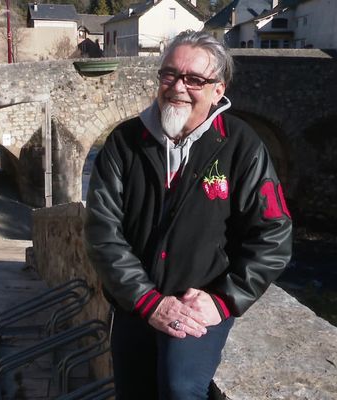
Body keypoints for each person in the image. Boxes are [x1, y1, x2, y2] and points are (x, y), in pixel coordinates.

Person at [84, 30, 292, 400]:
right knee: (133, 392)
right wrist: (147, 300)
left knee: (182, 390)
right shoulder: (124, 142)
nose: (178, 86)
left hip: (201, 304)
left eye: (195, 79)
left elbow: (273, 234)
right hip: (135, 302)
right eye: (169, 74)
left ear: (217, 90)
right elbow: (103, 232)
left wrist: (224, 300)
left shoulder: (241, 146)